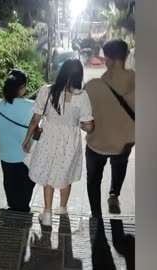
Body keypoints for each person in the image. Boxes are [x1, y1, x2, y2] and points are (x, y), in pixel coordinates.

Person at [22, 59, 95, 226]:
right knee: (65, 173)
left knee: (48, 173)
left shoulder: (46, 91)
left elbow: (35, 119)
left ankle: (47, 213)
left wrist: (27, 139)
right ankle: (62, 208)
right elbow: (89, 127)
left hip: (49, 138)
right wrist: (80, 124)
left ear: (62, 73)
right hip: (70, 141)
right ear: (79, 76)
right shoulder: (82, 96)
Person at [83, 39, 135, 218]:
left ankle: (95, 213)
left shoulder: (93, 86)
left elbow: (82, 118)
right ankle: (114, 195)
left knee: (93, 180)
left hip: (97, 143)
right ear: (126, 56)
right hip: (124, 143)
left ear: (109, 60)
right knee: (120, 166)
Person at [0, 69, 36, 212]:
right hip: (27, 153)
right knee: (27, 181)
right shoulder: (32, 106)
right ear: (22, 88)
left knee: (9, 181)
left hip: (7, 154)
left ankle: (13, 206)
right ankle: (23, 207)